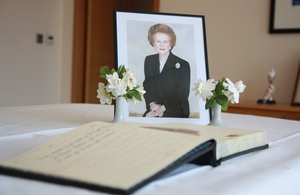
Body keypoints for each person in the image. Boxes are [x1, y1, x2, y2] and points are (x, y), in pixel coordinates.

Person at [143, 23, 191, 118]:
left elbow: (182, 95)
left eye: (165, 42)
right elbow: (147, 86)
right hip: (155, 108)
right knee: (145, 120)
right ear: (153, 43)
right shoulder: (149, 60)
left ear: (170, 44)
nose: (161, 45)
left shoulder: (183, 65)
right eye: (158, 41)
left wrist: (163, 108)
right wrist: (153, 105)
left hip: (176, 109)